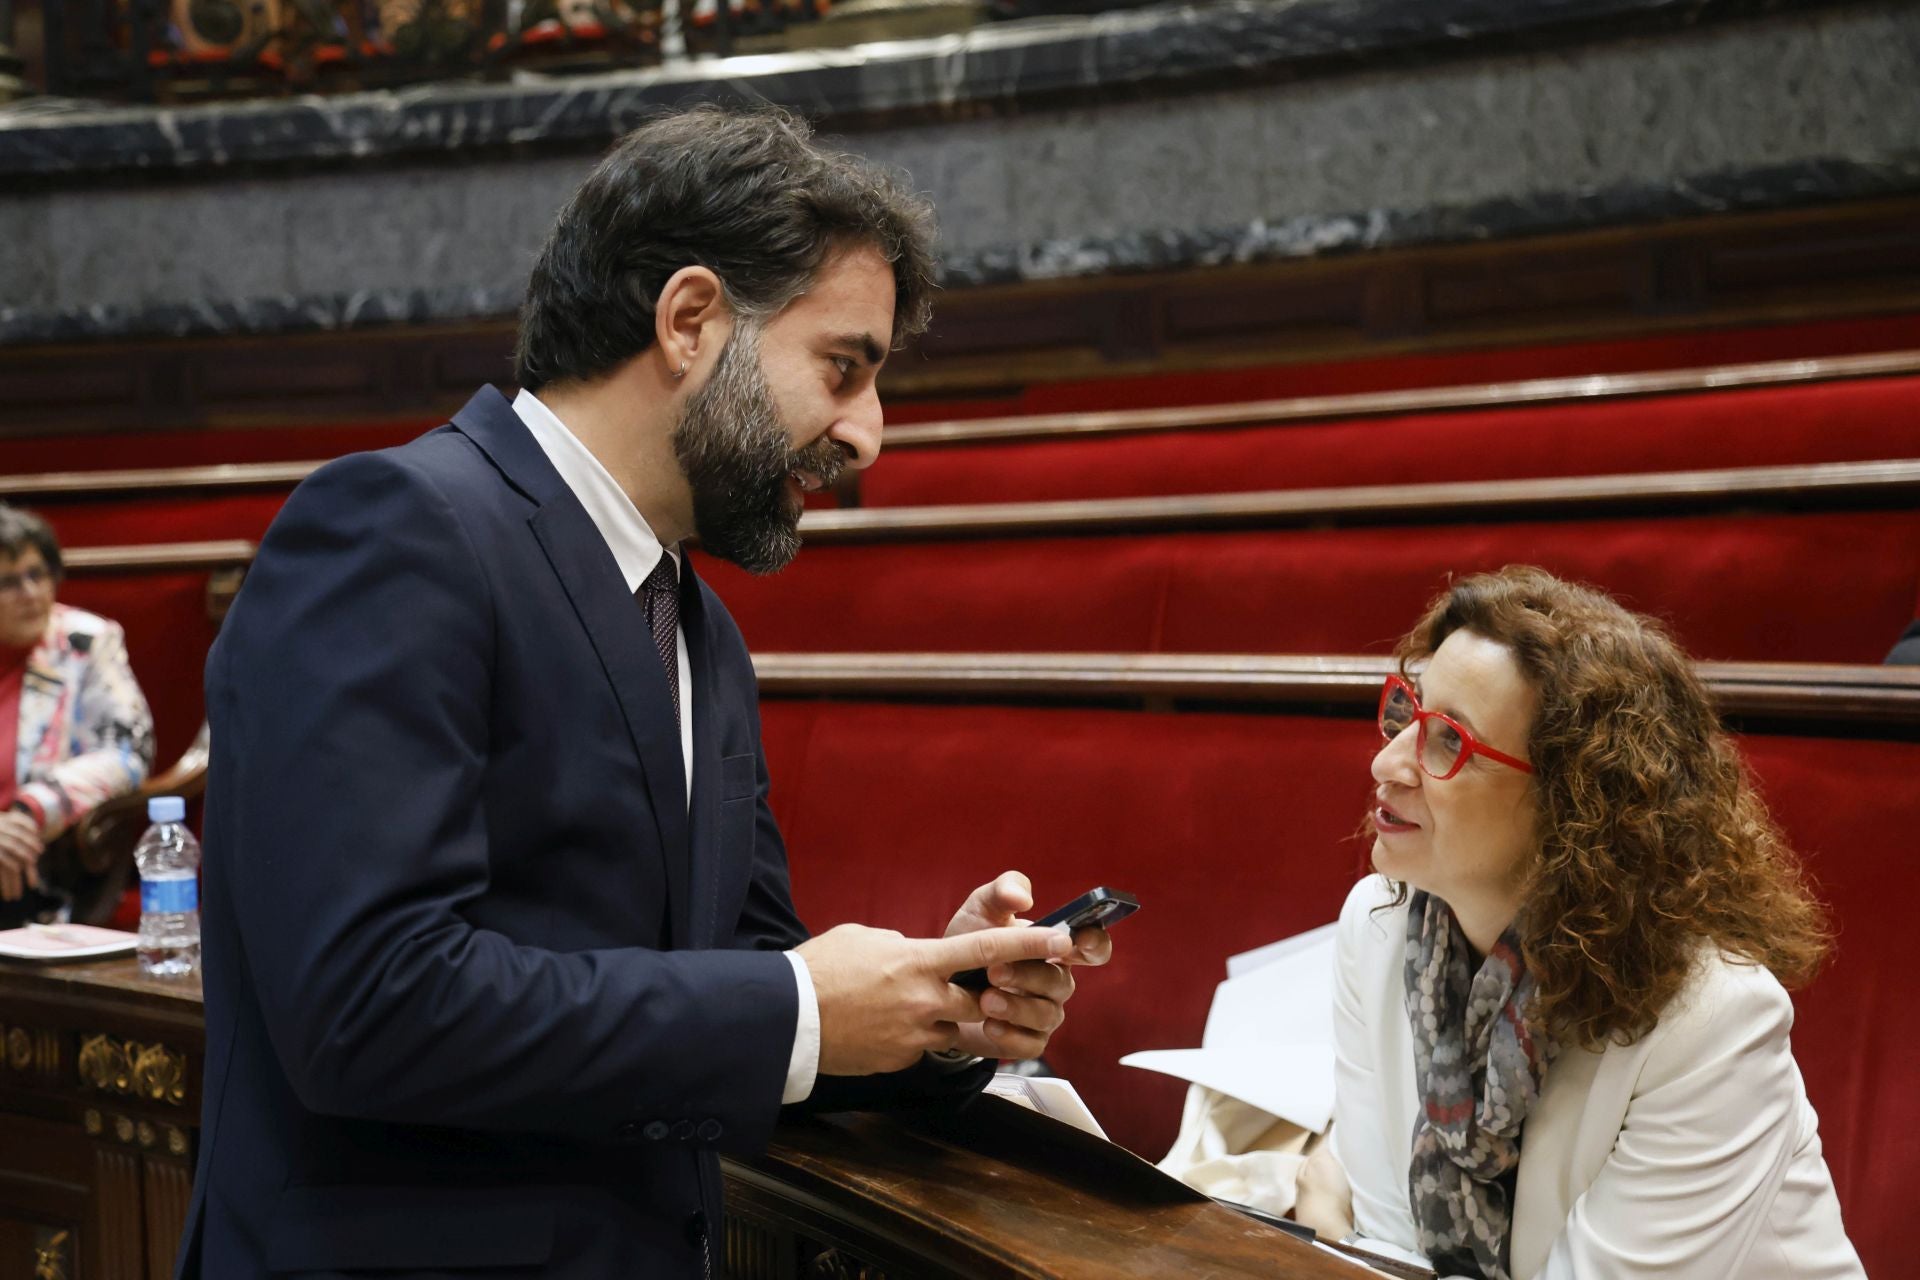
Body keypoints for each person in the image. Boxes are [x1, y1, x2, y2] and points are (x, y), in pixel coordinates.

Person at [176, 105, 1111, 1279]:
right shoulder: (397, 527)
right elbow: (368, 1004)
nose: (868, 435)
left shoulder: (697, 620)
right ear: (691, 319)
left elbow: (735, 978)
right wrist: (796, 1005)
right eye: (843, 366)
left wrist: (932, 1006)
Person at [1298, 566, 1862, 1279]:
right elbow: (1385, 1248)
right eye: (1407, 713)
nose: (1386, 762)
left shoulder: (1713, 1023)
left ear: (1573, 809)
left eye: (1449, 742)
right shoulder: (1376, 926)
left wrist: (1324, 1217)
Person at [0, 502, 155, 926]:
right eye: (8, 582)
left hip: (46, 863)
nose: (31, 593)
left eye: (38, 574)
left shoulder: (85, 642)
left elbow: (127, 750)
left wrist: (33, 809)